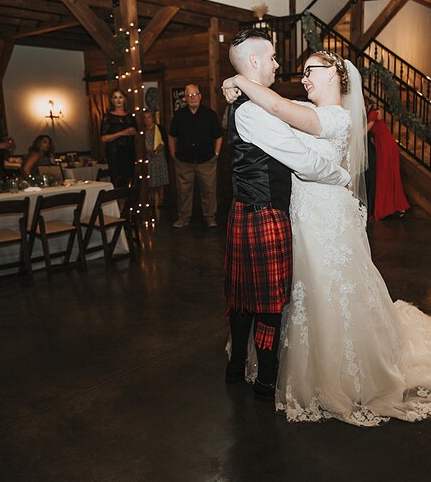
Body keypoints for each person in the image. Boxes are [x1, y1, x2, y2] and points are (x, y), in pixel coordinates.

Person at [222, 50, 431, 426]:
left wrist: (239, 79)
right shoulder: (307, 109)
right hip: (297, 214)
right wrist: (235, 84)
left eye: (310, 71)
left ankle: (338, 372)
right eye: (302, 72)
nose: (304, 78)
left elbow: (279, 108)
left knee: (329, 287)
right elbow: (276, 107)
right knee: (296, 291)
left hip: (325, 215)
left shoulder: (335, 117)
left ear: (334, 73)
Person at [223, 30, 351, 401]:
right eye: (273, 57)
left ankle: (238, 368)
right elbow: (303, 161)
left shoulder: (253, 103)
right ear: (255, 61)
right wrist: (343, 176)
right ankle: (265, 380)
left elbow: (282, 107)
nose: (279, 65)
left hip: (251, 210)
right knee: (266, 301)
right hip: (264, 213)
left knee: (244, 295)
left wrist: (233, 81)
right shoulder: (254, 111)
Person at [167, 84, 222, 228]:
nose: (192, 98)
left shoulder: (210, 114)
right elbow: (172, 136)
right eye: (189, 96)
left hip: (207, 161)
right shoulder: (179, 116)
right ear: (185, 98)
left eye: (195, 95)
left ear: (200, 96)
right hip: (184, 162)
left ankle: (210, 217)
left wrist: (216, 154)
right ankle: (183, 218)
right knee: (183, 192)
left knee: (209, 191)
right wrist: (173, 154)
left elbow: (218, 136)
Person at [367, 102, 409, 220]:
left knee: (385, 176)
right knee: (390, 175)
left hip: (385, 146)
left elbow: (366, 130)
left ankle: (388, 208)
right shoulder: (374, 114)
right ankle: (397, 207)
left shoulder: (373, 114)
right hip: (384, 145)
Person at [100, 89, 137, 188]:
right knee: (117, 180)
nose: (118, 100)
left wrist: (133, 132)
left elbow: (136, 134)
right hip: (115, 153)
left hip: (129, 151)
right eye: (115, 97)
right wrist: (122, 133)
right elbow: (103, 138)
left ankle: (128, 197)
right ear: (112, 100)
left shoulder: (130, 116)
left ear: (124, 99)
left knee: (129, 178)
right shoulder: (108, 117)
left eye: (120, 97)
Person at [143, 110, 169, 216]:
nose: (147, 120)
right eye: (145, 118)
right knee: (151, 178)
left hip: (159, 156)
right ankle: (152, 198)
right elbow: (142, 143)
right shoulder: (143, 131)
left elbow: (164, 141)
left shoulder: (159, 128)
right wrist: (148, 151)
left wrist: (156, 150)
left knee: (160, 177)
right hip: (148, 157)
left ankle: (161, 198)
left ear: (152, 118)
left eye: (149, 117)